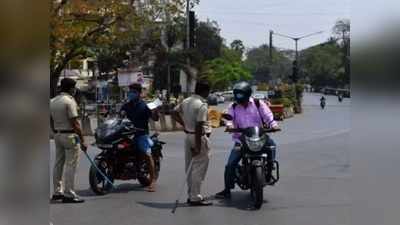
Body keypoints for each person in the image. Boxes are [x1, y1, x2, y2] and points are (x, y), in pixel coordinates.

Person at [215, 81, 280, 200]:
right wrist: (229, 125)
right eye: (237, 95)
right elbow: (228, 118)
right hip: (241, 139)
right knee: (230, 165)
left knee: (272, 145)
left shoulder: (258, 103)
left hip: (259, 137)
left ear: (247, 94)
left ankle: (270, 170)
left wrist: (274, 125)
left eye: (241, 95)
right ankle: (227, 189)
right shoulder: (233, 106)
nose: (239, 98)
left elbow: (268, 116)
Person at [171, 81, 213, 206]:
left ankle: (191, 194)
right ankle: (195, 197)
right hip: (197, 137)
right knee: (199, 168)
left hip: (188, 135)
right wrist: (198, 147)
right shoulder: (201, 105)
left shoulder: (186, 101)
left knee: (189, 167)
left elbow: (173, 112)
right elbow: (200, 125)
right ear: (205, 91)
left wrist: (184, 124)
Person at [50, 78, 88, 203]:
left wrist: (56, 130)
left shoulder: (53, 101)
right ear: (72, 88)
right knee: (71, 165)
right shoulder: (69, 101)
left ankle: (57, 192)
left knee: (58, 164)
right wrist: (83, 140)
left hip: (57, 134)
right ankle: (69, 194)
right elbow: (75, 123)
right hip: (70, 136)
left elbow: (50, 120)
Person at [120, 83, 159, 192]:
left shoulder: (146, 106)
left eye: (133, 92)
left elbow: (155, 118)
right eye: (130, 91)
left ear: (139, 93)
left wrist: (155, 111)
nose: (131, 94)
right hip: (127, 134)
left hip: (141, 134)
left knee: (146, 153)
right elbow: (119, 118)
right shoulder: (126, 106)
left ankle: (152, 180)